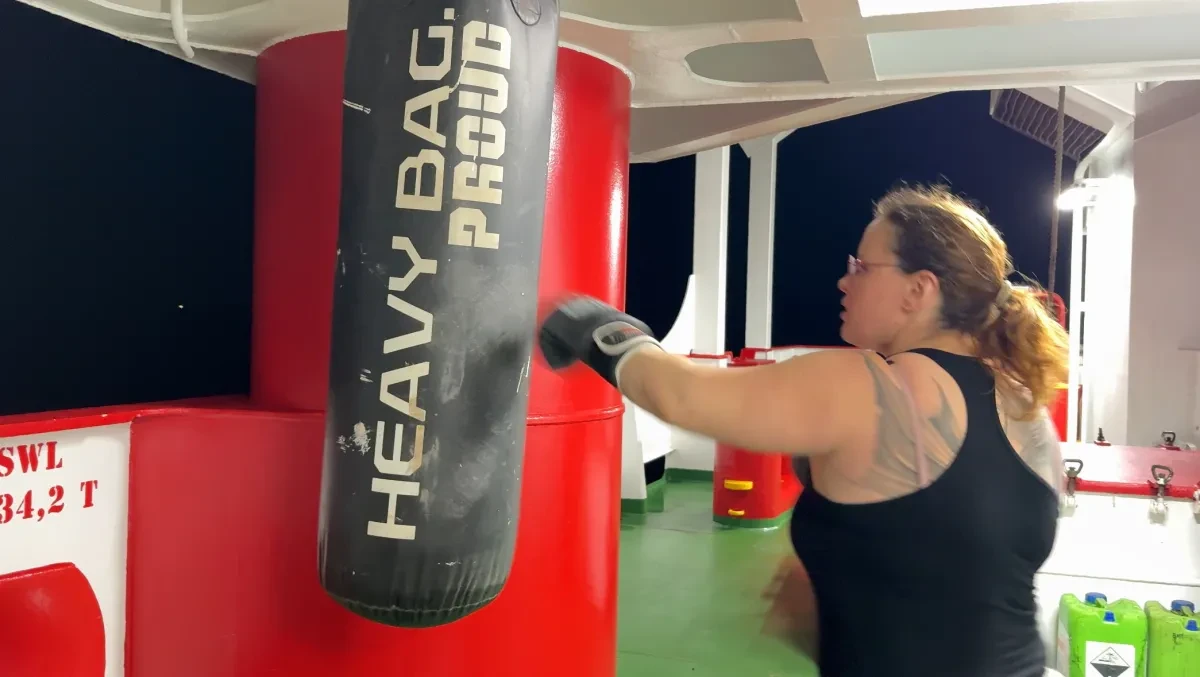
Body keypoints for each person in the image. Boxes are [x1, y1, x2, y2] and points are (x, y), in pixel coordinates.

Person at [538, 185, 1070, 677]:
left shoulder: (872, 387)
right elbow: (964, 560)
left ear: (918, 290)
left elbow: (676, 394)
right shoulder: (1025, 402)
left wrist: (593, 326)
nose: (844, 280)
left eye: (861, 267)